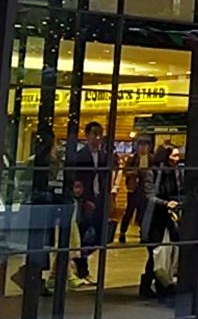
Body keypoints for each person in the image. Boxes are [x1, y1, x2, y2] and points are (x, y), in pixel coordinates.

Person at [65, 121, 110, 284]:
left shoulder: (104, 156)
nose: (97, 138)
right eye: (94, 134)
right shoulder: (80, 156)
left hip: (100, 199)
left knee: (99, 236)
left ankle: (79, 264)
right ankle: (82, 269)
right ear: (87, 135)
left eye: (100, 134)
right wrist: (84, 199)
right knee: (83, 235)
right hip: (85, 200)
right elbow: (77, 181)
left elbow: (105, 178)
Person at [139, 144, 183, 298]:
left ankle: (161, 284)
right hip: (154, 219)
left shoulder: (176, 173)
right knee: (155, 253)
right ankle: (149, 285)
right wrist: (166, 203)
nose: (177, 159)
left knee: (166, 252)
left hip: (169, 218)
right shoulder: (153, 172)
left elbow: (180, 191)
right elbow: (149, 196)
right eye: (174, 155)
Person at [115, 136, 152, 242]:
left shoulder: (151, 158)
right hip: (133, 188)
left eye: (145, 145)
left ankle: (142, 233)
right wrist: (134, 172)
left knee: (143, 212)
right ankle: (122, 232)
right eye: (141, 145)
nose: (143, 148)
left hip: (146, 188)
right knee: (129, 210)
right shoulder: (133, 158)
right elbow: (125, 172)